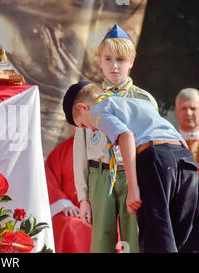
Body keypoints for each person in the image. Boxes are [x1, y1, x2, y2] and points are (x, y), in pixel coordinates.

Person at [63, 80, 199, 253]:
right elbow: (176, 137)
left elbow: (126, 136)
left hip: (156, 160)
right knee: (184, 238)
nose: (91, 129)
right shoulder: (140, 102)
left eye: (83, 124)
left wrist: (133, 188)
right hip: (184, 160)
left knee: (157, 238)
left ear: (83, 107)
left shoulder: (98, 108)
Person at [72, 24, 158, 253]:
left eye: (120, 59)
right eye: (108, 59)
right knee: (101, 242)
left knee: (135, 239)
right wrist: (83, 198)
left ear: (131, 61)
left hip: (134, 177)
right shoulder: (89, 100)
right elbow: (79, 151)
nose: (114, 65)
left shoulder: (144, 100)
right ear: (99, 61)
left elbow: (153, 149)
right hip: (99, 176)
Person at [45, 134, 92, 253]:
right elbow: (49, 180)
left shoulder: (106, 148)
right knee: (69, 225)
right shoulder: (62, 150)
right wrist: (64, 204)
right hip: (69, 211)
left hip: (98, 210)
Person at [174, 88, 199, 164]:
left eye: (193, 108)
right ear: (176, 112)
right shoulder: (169, 142)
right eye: (183, 108)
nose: (188, 113)